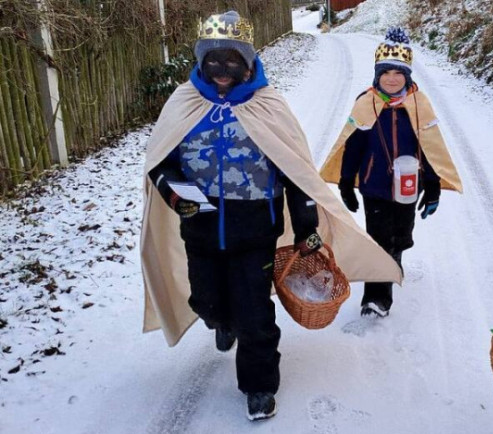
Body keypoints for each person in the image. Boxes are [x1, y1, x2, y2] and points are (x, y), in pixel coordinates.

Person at [140, 11, 402, 422]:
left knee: (255, 314)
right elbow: (160, 162)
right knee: (206, 301)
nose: (222, 71)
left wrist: (307, 227)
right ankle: (220, 320)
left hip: (255, 231)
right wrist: (174, 195)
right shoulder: (184, 102)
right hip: (201, 229)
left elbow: (295, 169)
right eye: (212, 60)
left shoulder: (269, 105)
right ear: (200, 61)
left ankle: (259, 385)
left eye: (232, 61)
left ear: (248, 62)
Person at [320, 27, 462, 318]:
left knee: (402, 234)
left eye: (399, 73)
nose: (392, 79)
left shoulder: (419, 106)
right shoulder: (366, 104)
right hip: (375, 187)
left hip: (410, 186)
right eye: (386, 73)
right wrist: (347, 183)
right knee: (378, 240)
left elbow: (431, 149)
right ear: (377, 75)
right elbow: (352, 146)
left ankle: (395, 258)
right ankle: (377, 298)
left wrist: (433, 186)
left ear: (407, 76)